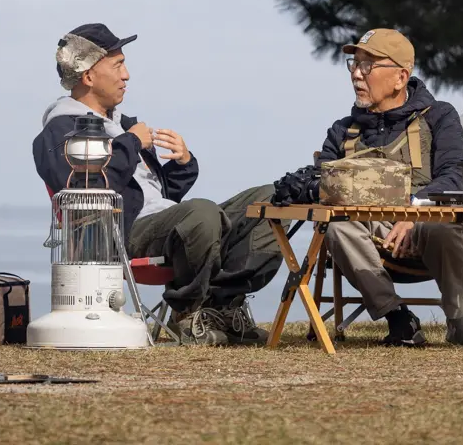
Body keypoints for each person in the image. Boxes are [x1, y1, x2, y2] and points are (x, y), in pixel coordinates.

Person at [31, 23, 283, 346]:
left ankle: (221, 307)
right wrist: (130, 144)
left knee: (272, 201)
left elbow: (154, 196)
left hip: (162, 223)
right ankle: (189, 315)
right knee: (202, 214)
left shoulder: (121, 127)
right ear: (88, 76)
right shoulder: (60, 130)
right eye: (118, 65)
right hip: (121, 234)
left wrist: (182, 164)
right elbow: (83, 188)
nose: (127, 75)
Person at [316, 27, 463, 347]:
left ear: (400, 77)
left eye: (368, 66)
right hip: (372, 234)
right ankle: (398, 317)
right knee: (338, 229)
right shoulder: (342, 130)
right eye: (354, 65)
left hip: (430, 222)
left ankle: (457, 317)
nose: (356, 74)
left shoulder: (440, 116)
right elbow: (322, 183)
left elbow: (455, 175)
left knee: (443, 224)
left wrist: (413, 211)